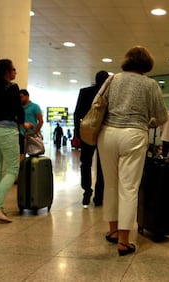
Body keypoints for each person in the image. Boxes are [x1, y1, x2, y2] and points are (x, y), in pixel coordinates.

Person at [98, 46, 168, 256]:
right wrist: (152, 122)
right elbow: (162, 115)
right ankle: (124, 241)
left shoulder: (113, 79)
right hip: (134, 135)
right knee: (128, 188)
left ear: (127, 60)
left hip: (108, 134)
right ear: (147, 64)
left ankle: (112, 231)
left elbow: (98, 104)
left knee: (110, 185)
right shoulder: (150, 84)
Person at [0, 59, 33, 222]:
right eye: (13, 69)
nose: (15, 72)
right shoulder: (12, 87)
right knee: (13, 169)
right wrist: (23, 123)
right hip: (6, 131)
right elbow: (17, 110)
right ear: (6, 71)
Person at [73, 70, 109, 208]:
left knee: (85, 163)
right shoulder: (108, 94)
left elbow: (77, 114)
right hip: (103, 132)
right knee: (102, 165)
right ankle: (99, 197)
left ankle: (87, 190)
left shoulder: (85, 91)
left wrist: (77, 133)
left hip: (87, 131)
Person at [19, 89, 43, 160]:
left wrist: (35, 132)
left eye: (21, 97)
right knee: (21, 155)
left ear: (27, 96)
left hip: (31, 135)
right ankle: (22, 169)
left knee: (33, 155)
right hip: (20, 135)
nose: (20, 99)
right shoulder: (18, 108)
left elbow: (41, 121)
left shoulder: (35, 107)